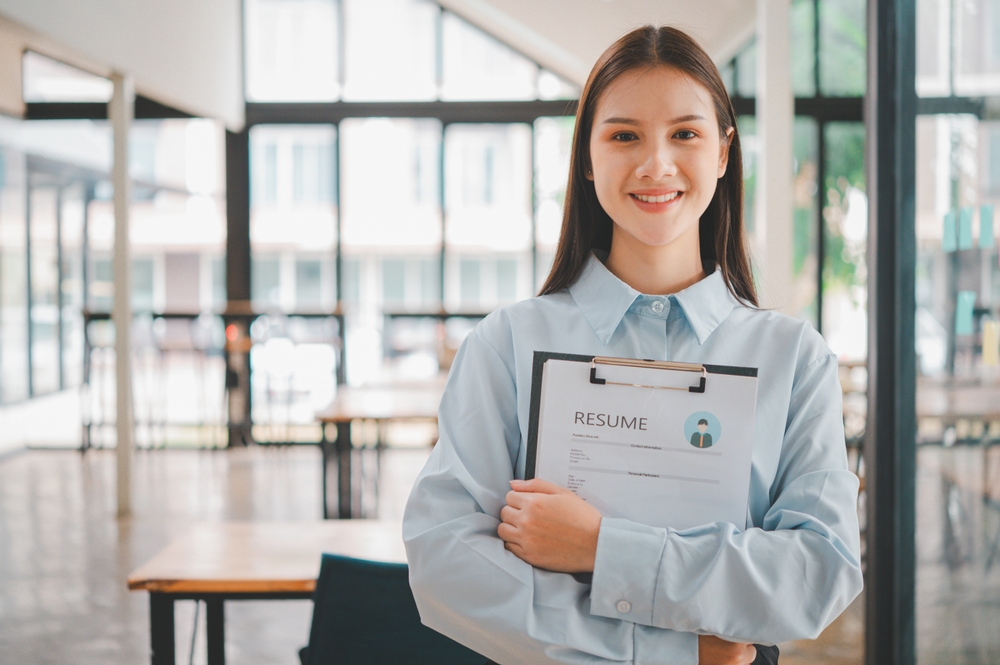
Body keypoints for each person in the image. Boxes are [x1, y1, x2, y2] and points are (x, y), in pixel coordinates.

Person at [403, 25, 862, 665]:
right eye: (624, 136)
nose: (655, 165)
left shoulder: (794, 359)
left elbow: (818, 571)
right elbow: (446, 561)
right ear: (588, 159)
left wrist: (600, 548)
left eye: (685, 134)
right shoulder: (506, 345)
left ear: (724, 152)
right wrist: (675, 652)